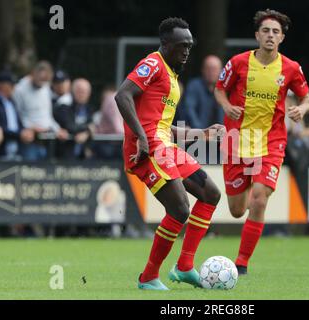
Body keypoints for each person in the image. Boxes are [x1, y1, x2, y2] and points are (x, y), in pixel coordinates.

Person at [115, 17, 225, 290]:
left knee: (211, 193)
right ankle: (148, 277)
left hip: (164, 146)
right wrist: (140, 137)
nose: (187, 50)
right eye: (181, 45)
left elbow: (162, 125)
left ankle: (185, 266)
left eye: (190, 45)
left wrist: (201, 134)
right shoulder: (153, 63)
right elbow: (123, 95)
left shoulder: (172, 76)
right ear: (165, 44)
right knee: (178, 208)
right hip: (148, 148)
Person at [214, 9, 309, 275]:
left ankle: (242, 263)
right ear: (257, 35)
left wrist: (301, 110)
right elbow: (219, 89)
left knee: (259, 200)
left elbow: (306, 98)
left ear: (282, 38)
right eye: (266, 31)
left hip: (272, 142)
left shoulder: (291, 68)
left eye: (276, 32)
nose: (270, 35)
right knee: (236, 210)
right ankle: (249, 193)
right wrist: (226, 106)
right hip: (237, 141)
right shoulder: (238, 62)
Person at [13, 61, 68, 160]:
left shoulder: (46, 87)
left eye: (46, 80)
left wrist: (57, 129)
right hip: (29, 140)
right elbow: (17, 115)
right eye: (41, 79)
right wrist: (31, 128)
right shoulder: (20, 89)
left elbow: (47, 115)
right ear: (33, 73)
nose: (43, 83)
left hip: (46, 139)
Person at [0, 72, 35, 160]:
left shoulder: (11, 101)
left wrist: (25, 131)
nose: (14, 87)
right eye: (11, 84)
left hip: (16, 148)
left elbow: (17, 123)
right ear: (1, 85)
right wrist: (19, 134)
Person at [179, 55, 224, 128]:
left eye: (214, 69)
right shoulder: (194, 86)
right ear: (202, 70)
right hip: (196, 134)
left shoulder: (223, 89)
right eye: (208, 68)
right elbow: (189, 110)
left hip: (218, 135)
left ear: (221, 71)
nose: (211, 72)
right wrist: (201, 132)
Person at [53, 78, 94, 159]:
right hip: (63, 154)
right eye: (80, 91)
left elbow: (93, 125)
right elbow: (69, 126)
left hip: (82, 156)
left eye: (86, 91)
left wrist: (87, 133)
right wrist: (88, 129)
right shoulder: (64, 105)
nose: (82, 94)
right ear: (72, 91)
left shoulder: (89, 109)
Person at [93, 86, 124, 159]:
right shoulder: (112, 100)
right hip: (107, 143)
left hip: (113, 141)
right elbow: (117, 127)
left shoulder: (117, 98)